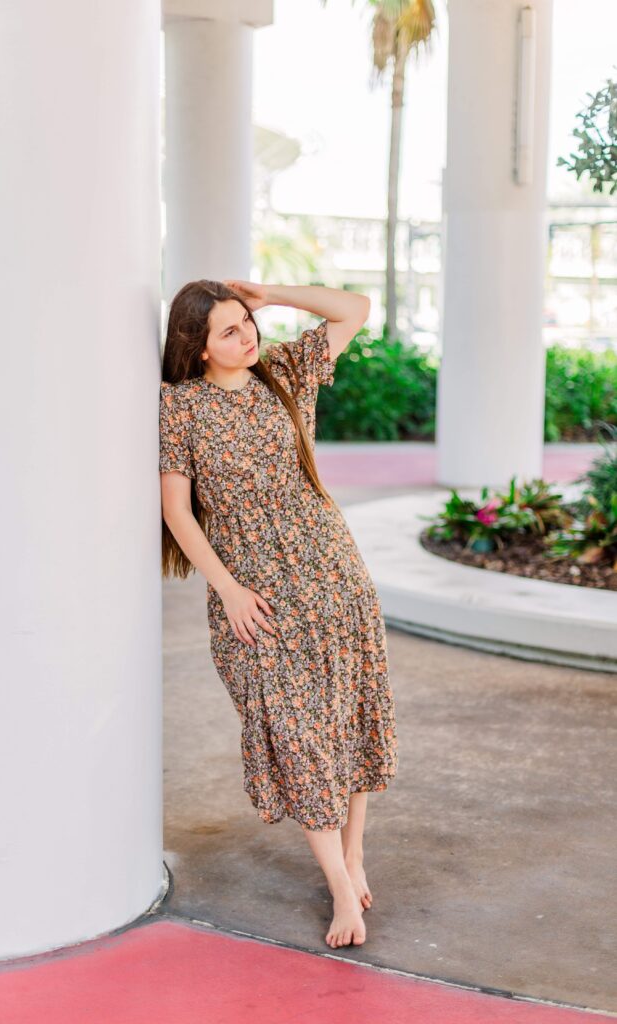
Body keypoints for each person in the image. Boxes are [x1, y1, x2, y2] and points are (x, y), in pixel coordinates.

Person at [160, 279, 398, 949]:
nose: (247, 338)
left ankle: (351, 861)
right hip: (254, 592)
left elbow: (356, 307)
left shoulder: (286, 373)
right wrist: (229, 590)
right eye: (228, 332)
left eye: (247, 325)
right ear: (197, 348)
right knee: (294, 730)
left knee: (347, 715)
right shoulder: (180, 407)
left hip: (329, 570)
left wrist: (273, 295)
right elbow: (176, 510)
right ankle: (337, 883)